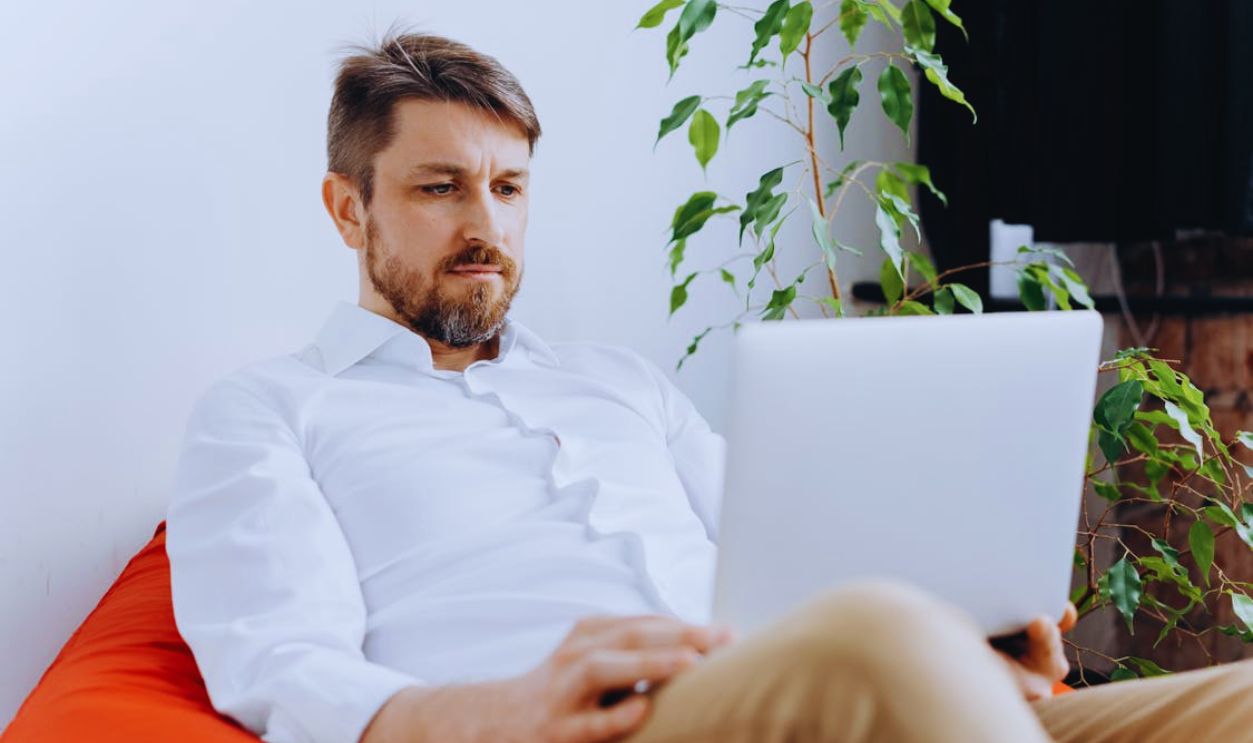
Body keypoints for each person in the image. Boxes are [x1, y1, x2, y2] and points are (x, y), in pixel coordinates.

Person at [165, 30, 1253, 743]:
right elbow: (283, 666)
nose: (485, 225)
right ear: (347, 208)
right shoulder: (266, 414)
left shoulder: (619, 385)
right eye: (438, 188)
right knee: (874, 633)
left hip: (824, 695)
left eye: (507, 187)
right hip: (607, 725)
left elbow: (793, 561)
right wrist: (509, 708)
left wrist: (967, 639)